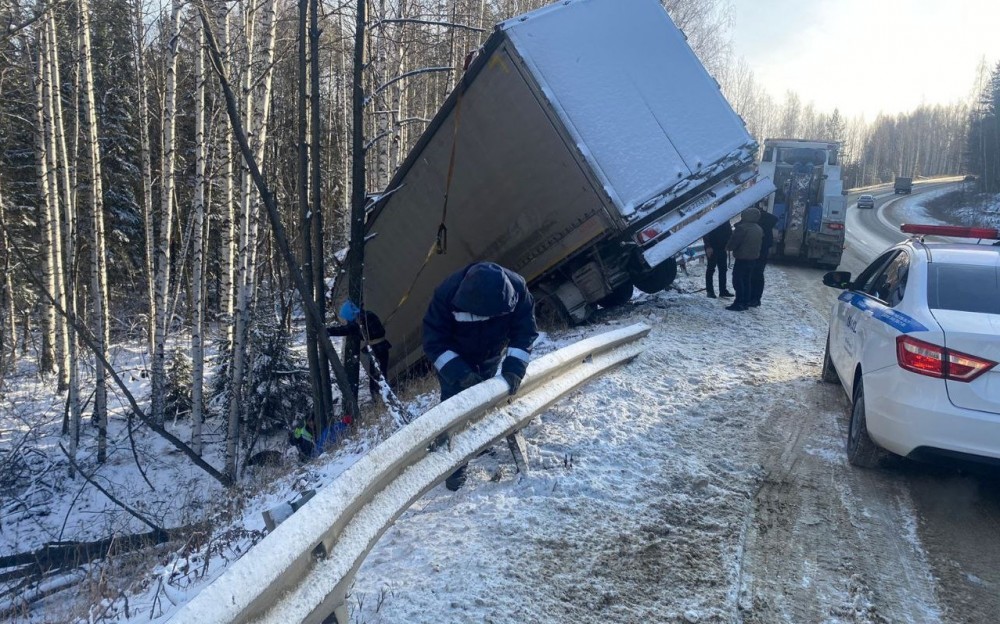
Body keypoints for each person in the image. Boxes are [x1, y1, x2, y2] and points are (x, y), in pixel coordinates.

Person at [423, 261, 539, 491]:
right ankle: (455, 467)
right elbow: (434, 342)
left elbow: (524, 333)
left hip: (490, 355)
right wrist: (460, 374)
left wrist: (514, 368)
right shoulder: (447, 294)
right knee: (454, 411)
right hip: (454, 361)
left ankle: (480, 442)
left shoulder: (518, 289)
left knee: (484, 403)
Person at [327, 300, 392, 400]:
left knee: (378, 377)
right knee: (380, 375)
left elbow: (346, 329)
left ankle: (381, 399)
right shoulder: (368, 315)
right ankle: (382, 398)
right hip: (381, 348)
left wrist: (328, 331)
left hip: (377, 350)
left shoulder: (362, 320)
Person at [725, 207, 763, 311]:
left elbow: (734, 243)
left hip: (742, 258)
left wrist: (728, 247)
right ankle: (745, 302)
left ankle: (739, 303)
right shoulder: (759, 228)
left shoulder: (742, 228)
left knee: (738, 280)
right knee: (747, 281)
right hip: (753, 259)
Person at [749, 208, 779, 307]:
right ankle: (756, 298)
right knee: (758, 275)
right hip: (762, 253)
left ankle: (753, 298)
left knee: (754, 275)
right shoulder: (767, 226)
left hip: (757, 253)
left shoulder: (760, 226)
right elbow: (769, 243)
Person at [702, 221, 734, 298]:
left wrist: (728, 244)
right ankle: (710, 291)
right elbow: (705, 233)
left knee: (723, 269)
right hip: (712, 248)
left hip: (722, 248)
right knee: (711, 269)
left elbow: (729, 233)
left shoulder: (726, 221)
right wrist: (708, 246)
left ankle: (723, 290)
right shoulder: (713, 219)